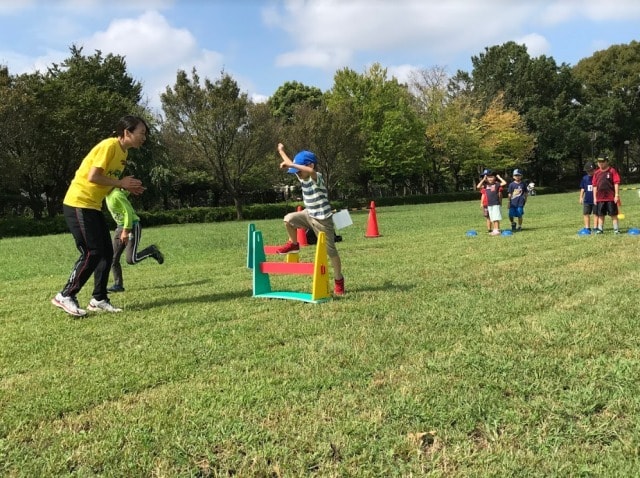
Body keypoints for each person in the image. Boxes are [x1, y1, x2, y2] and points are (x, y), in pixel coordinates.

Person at [51, 115, 148, 317]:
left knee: (106, 253)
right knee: (92, 252)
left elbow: (107, 183)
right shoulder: (109, 146)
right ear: (127, 132)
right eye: (141, 133)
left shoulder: (123, 155)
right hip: (78, 203)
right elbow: (93, 176)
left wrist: (127, 187)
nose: (144, 138)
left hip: (92, 206)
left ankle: (99, 299)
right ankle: (65, 295)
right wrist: (121, 183)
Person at [274, 143, 345, 295]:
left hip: (323, 220)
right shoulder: (302, 176)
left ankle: (339, 280)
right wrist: (281, 151)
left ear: (309, 165)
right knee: (288, 219)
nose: (297, 174)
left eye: (299, 170)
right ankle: (294, 244)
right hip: (308, 214)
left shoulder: (316, 177)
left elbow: (310, 171)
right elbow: (290, 165)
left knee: (330, 251)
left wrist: (292, 164)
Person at [105, 188, 164, 293]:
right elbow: (124, 194)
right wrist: (128, 189)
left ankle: (151, 250)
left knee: (131, 260)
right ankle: (118, 285)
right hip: (120, 227)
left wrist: (126, 231)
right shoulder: (108, 194)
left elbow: (127, 212)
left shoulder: (116, 194)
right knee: (113, 258)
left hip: (132, 227)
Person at [592, 156, 621, 234]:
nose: (600, 163)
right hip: (600, 198)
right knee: (600, 214)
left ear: (606, 161)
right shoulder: (596, 173)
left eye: (602, 162)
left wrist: (616, 195)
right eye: (599, 162)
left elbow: (616, 183)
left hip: (611, 197)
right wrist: (594, 197)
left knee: (613, 214)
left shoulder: (612, 171)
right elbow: (594, 186)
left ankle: (616, 229)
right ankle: (600, 229)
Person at [476, 169, 507, 235]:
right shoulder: (485, 185)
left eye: (492, 177)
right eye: (489, 177)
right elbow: (478, 186)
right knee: (492, 217)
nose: (490, 178)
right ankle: (495, 229)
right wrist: (483, 179)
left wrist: (499, 177)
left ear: (495, 178)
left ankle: (497, 230)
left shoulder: (497, 184)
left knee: (496, 217)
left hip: (495, 203)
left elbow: (504, 183)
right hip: (489, 204)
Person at [579, 162, 597, 232]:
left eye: (591, 170)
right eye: (588, 171)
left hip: (596, 200)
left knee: (596, 214)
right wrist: (581, 197)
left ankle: (595, 228)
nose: (589, 172)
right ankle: (587, 228)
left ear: (595, 170)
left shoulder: (597, 177)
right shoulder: (584, 178)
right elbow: (582, 188)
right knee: (586, 213)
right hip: (587, 200)